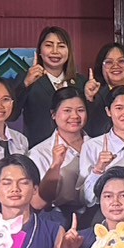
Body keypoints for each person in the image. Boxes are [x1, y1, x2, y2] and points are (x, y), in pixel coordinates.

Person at [12, 26, 82, 147]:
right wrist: (25, 85)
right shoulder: (27, 79)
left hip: (76, 150)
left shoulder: (80, 82)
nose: (55, 51)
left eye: (61, 46)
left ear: (69, 51)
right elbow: (11, 115)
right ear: (40, 50)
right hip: (39, 150)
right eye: (49, 45)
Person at [31, 86, 89, 216]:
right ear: (53, 114)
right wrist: (55, 166)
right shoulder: (40, 153)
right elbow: (37, 203)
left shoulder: (99, 146)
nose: (75, 116)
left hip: (98, 214)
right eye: (67, 110)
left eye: (80, 110)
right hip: (58, 216)